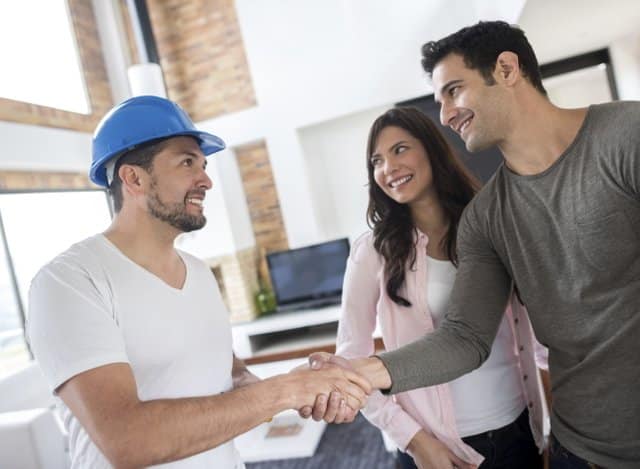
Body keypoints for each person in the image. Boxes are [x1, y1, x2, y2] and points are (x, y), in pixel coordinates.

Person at [309, 21, 640, 469]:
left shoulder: (626, 137)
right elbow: (465, 336)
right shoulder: (486, 217)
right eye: (439, 101)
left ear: (506, 69)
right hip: (577, 451)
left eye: (453, 91)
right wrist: (363, 373)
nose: (445, 115)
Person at [26, 95, 371, 469]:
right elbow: (127, 439)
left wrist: (300, 388)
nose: (206, 179)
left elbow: (232, 374)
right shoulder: (70, 282)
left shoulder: (200, 273)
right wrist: (283, 391)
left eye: (203, 164)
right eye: (187, 162)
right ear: (134, 178)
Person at [336, 107, 546, 469]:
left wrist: (553, 424)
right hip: (439, 447)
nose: (388, 167)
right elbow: (351, 360)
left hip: (520, 429)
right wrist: (414, 442)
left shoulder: (489, 226)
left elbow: (537, 331)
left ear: (431, 150)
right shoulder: (372, 251)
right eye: (377, 160)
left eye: (400, 149)